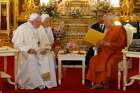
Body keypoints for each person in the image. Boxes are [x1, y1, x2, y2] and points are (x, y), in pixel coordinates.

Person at [87, 13, 127, 89]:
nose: (104, 23)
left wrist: (108, 44)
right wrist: (99, 44)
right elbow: (104, 42)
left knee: (109, 63)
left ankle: (106, 82)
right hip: (106, 52)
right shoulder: (109, 29)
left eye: (105, 21)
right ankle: (98, 82)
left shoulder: (119, 29)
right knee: (93, 60)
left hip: (117, 53)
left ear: (111, 21)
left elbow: (122, 44)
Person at [12, 13, 46, 89]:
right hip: (25, 52)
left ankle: (46, 81)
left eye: (40, 22)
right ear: (31, 21)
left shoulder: (38, 27)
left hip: (36, 50)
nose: (40, 24)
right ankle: (34, 84)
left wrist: (43, 48)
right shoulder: (22, 28)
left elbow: (42, 40)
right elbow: (17, 43)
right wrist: (28, 49)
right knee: (32, 58)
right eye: (38, 22)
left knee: (48, 56)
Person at [37, 14, 57, 88]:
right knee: (45, 59)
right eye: (46, 21)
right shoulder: (38, 29)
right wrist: (41, 49)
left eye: (49, 21)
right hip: (38, 50)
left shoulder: (49, 29)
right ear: (42, 22)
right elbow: (36, 42)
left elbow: (51, 42)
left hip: (47, 50)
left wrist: (49, 48)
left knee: (49, 56)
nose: (48, 23)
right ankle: (43, 81)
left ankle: (48, 81)